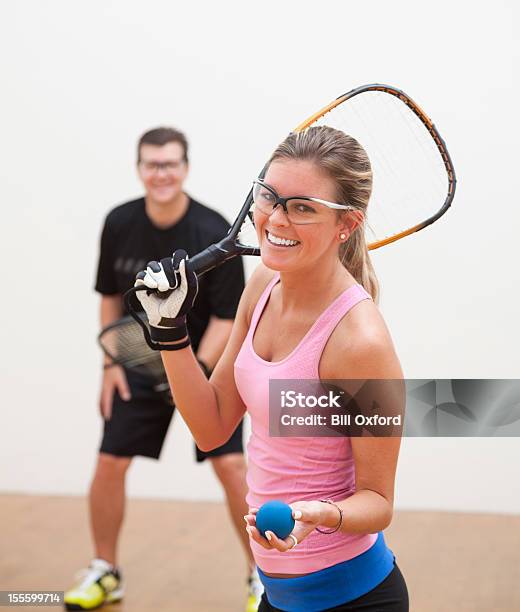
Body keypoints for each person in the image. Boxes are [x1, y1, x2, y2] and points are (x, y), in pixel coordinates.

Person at [132, 125, 410, 611]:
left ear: (347, 224)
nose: (276, 219)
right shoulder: (263, 282)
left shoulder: (360, 341)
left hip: (354, 599)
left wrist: (317, 515)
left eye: (303, 207)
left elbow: (378, 502)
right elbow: (211, 426)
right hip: (278, 596)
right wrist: (170, 332)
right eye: (270, 197)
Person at [64, 127, 263, 612]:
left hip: (204, 364)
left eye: (170, 164)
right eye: (152, 164)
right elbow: (111, 296)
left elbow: (226, 319)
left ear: (185, 168)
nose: (161, 173)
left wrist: (192, 373)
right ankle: (104, 571)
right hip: (136, 360)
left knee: (232, 465)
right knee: (109, 462)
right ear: (139, 169)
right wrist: (110, 364)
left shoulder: (211, 228)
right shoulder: (119, 223)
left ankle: (261, 578)